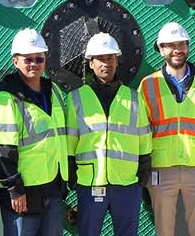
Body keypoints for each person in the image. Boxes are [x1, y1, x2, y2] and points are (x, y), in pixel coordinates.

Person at [65, 33, 152, 236]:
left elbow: (144, 138)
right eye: (101, 59)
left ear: (117, 61)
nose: (107, 63)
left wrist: (142, 175)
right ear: (91, 63)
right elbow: (69, 140)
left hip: (127, 183)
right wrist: (72, 177)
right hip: (90, 182)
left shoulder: (134, 98)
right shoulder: (75, 99)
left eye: (111, 58)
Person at [137, 22, 195, 236]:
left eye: (182, 44)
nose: (177, 50)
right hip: (161, 168)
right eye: (170, 45)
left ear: (188, 47)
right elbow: (141, 131)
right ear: (161, 49)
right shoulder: (148, 85)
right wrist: (145, 168)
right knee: (164, 228)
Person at [0, 28, 69, 236]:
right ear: (16, 61)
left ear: (45, 59)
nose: (34, 64)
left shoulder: (54, 91)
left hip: (52, 186)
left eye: (38, 58)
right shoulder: (7, 98)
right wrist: (14, 189)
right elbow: (2, 148)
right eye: (28, 59)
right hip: (24, 192)